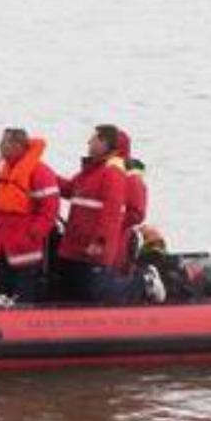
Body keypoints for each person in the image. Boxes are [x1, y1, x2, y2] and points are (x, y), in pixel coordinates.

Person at [55, 124, 135, 303]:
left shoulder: (112, 173)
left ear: (105, 143)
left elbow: (111, 213)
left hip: (92, 249)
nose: (88, 142)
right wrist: (44, 174)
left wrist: (100, 241)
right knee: (73, 292)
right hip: (74, 246)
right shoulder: (90, 172)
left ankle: (142, 282)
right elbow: (69, 188)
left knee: (95, 293)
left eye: (94, 138)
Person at [0, 128, 60, 304]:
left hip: (25, 249)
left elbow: (50, 210)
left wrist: (32, 235)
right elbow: (0, 209)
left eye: (5, 142)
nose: (0, 146)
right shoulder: (3, 170)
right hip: (1, 246)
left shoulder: (39, 172)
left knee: (23, 297)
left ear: (18, 145)